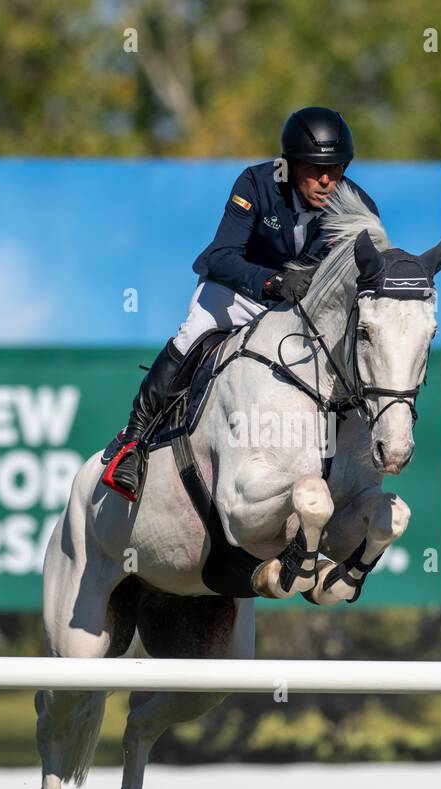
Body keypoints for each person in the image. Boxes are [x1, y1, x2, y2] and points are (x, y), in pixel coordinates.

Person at [100, 106, 380, 502]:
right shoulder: (257, 183)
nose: (325, 180)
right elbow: (221, 256)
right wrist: (272, 281)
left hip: (301, 312)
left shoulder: (357, 207)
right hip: (240, 293)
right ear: (291, 165)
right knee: (192, 331)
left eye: (335, 169)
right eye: (314, 168)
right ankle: (134, 442)